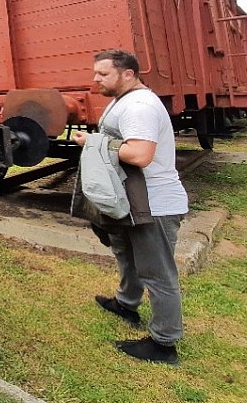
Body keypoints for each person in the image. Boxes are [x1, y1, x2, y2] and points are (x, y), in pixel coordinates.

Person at [71, 49, 188, 365]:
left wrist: (92, 143)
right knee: (126, 255)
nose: (95, 79)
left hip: (154, 204)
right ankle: (126, 304)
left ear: (128, 74)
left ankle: (164, 343)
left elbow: (140, 155)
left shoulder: (139, 106)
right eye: (95, 73)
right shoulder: (121, 100)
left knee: (158, 273)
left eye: (103, 74)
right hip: (131, 200)